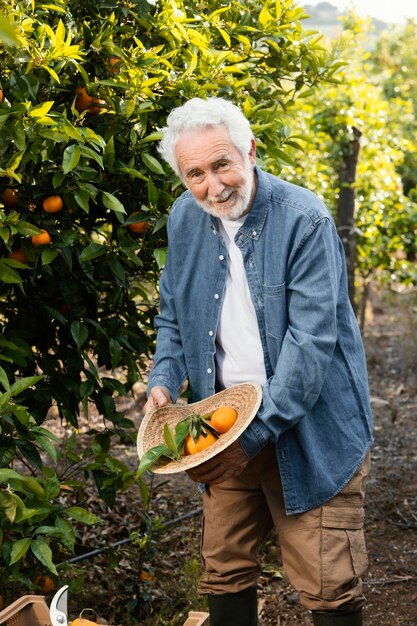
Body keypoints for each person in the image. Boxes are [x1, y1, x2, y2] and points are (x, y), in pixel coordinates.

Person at [143, 97, 373, 626]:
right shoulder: (186, 217)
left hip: (311, 428)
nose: (212, 186)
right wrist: (163, 378)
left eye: (221, 164)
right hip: (223, 422)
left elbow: (310, 348)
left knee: (328, 585)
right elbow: (174, 315)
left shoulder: (304, 220)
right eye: (194, 173)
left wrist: (250, 438)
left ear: (250, 150)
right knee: (224, 571)